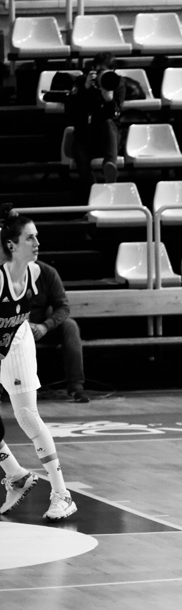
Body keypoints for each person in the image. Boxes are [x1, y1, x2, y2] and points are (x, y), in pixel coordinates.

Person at [0, 203, 78, 521]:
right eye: (30, 238)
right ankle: (16, 475)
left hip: (17, 342)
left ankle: (62, 494)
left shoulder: (35, 272)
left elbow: (61, 306)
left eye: (37, 236)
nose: (37, 243)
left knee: (27, 416)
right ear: (11, 245)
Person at [29, 260, 88, 403]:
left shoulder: (47, 272)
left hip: (40, 327)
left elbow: (62, 307)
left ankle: (76, 387)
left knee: (70, 326)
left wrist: (45, 326)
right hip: (11, 326)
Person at [66, 51, 125, 193]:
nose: (100, 75)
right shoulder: (82, 81)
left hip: (108, 138)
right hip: (85, 135)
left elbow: (116, 114)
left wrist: (108, 99)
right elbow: (71, 111)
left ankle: (110, 166)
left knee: (108, 123)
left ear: (112, 71)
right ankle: (92, 192)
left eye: (103, 71)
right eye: (97, 71)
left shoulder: (116, 83)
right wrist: (85, 89)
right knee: (80, 155)